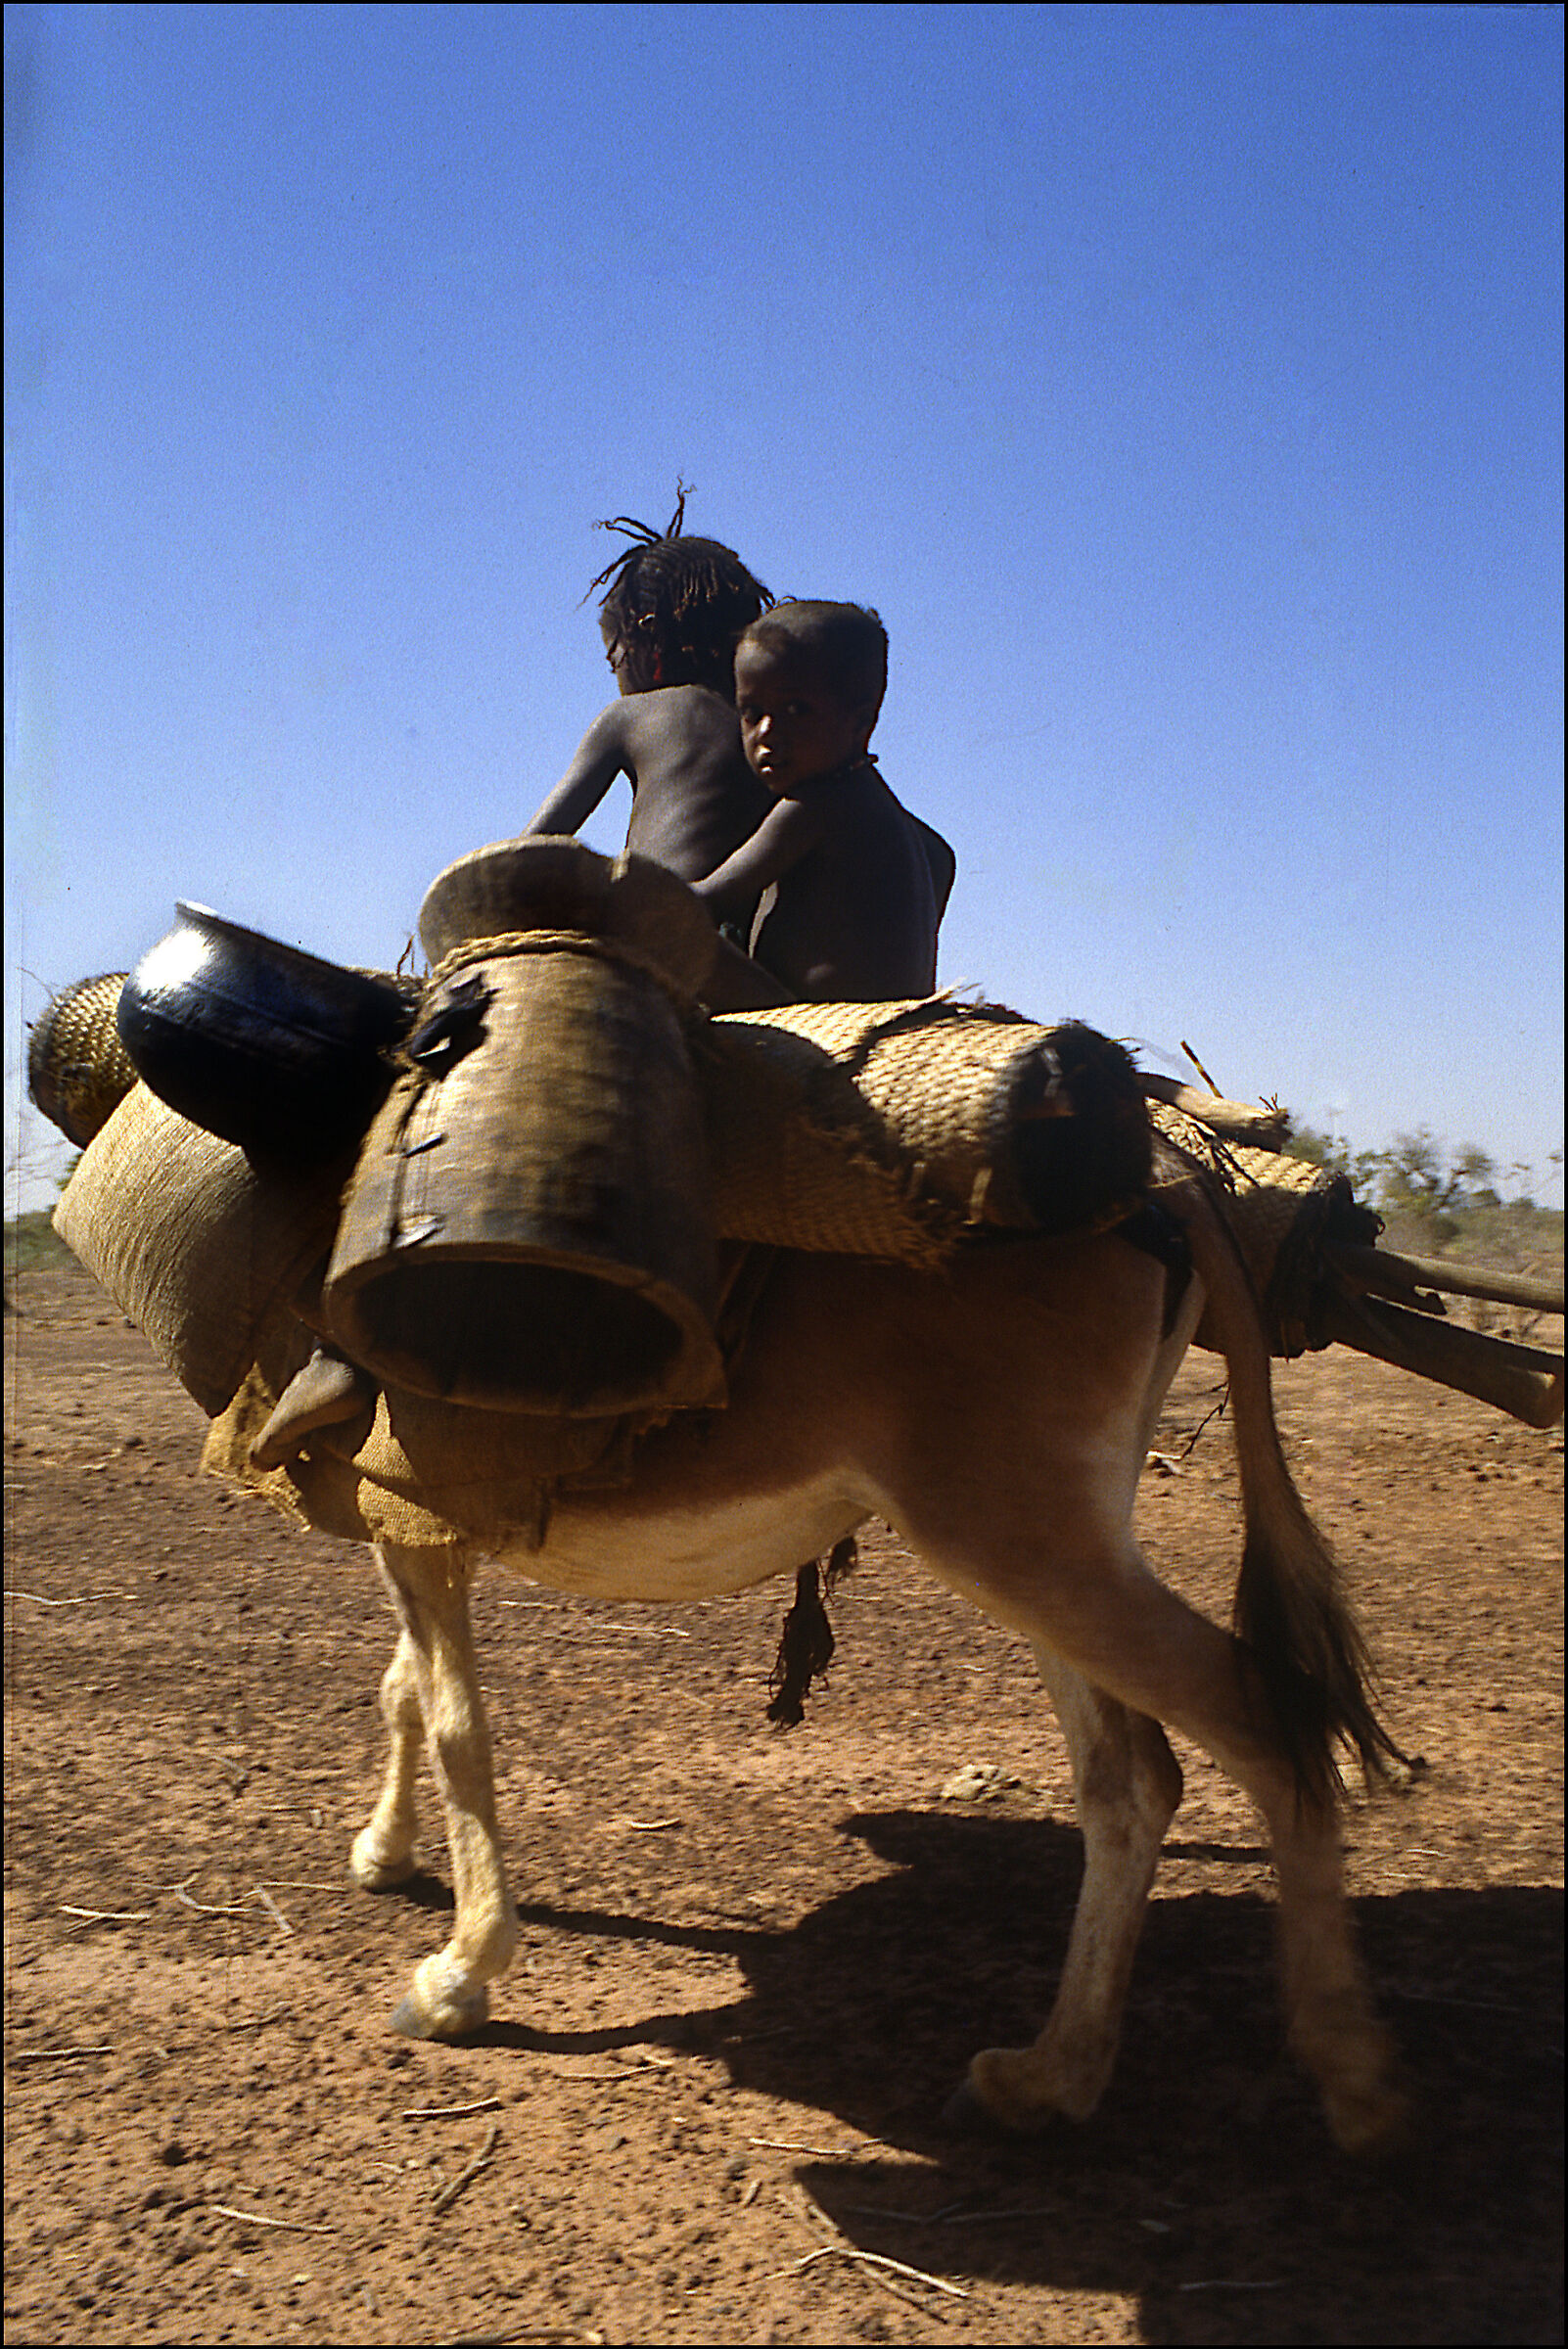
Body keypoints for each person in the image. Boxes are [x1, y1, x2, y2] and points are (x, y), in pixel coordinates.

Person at [691, 601, 951, 1002]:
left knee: (685, 944)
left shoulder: (814, 805)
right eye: (751, 711)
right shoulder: (880, 807)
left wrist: (613, 891)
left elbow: (705, 901)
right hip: (888, 1019)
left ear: (861, 724)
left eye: (796, 709)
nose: (768, 731)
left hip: (823, 1022)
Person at [525, 489, 777, 902]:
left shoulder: (630, 716)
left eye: (614, 658)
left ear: (648, 633)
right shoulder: (776, 730)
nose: (617, 677)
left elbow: (528, 855)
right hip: (740, 954)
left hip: (652, 937)